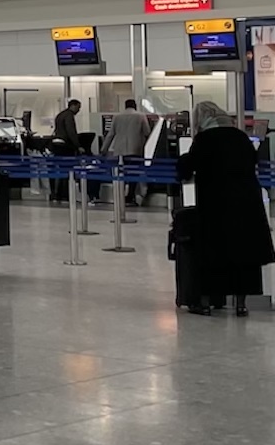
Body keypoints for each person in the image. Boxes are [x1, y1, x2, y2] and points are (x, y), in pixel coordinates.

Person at [176, 101, 273, 316]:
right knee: (244, 255)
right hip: (247, 203)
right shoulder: (240, 137)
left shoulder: (204, 139)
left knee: (213, 253)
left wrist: (182, 163)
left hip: (216, 205)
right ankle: (241, 304)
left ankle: (206, 302)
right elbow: (253, 162)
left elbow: (189, 166)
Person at [100, 99, 152, 206]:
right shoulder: (141, 116)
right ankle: (130, 196)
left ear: (125, 106)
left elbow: (110, 134)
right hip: (136, 149)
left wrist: (104, 149)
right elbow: (147, 132)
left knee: (122, 173)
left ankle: (120, 196)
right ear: (135, 106)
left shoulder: (117, 117)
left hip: (120, 150)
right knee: (134, 173)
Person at [49, 99, 82, 203]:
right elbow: (70, 132)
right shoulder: (69, 116)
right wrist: (78, 146)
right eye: (78, 107)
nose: (79, 110)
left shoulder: (60, 114)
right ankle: (64, 195)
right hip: (65, 145)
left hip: (56, 144)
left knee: (57, 171)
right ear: (73, 106)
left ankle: (55, 195)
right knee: (68, 170)